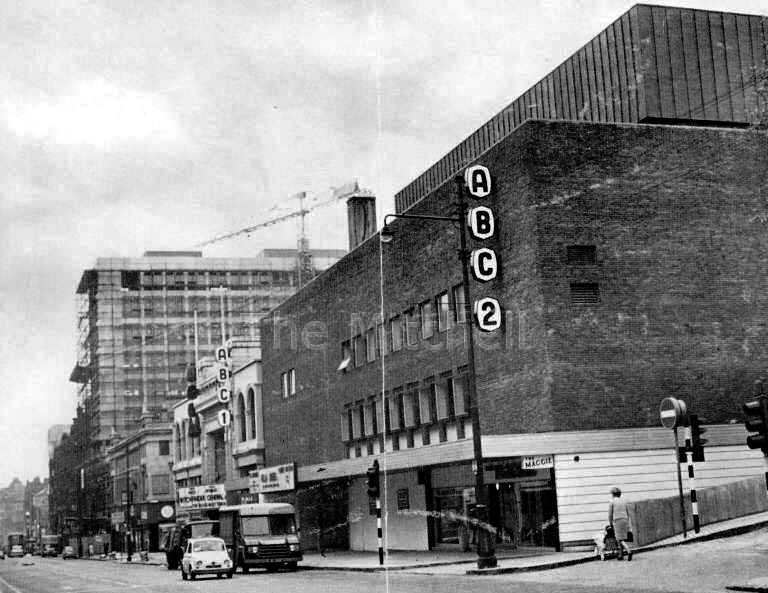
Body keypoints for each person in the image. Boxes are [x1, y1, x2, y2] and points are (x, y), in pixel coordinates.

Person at [608, 487, 633, 560]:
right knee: (621, 537)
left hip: (617, 520)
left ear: (613, 494)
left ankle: (629, 551)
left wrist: (610, 523)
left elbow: (610, 514)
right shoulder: (624, 501)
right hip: (625, 519)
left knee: (619, 538)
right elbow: (628, 511)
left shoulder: (612, 502)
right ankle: (620, 555)